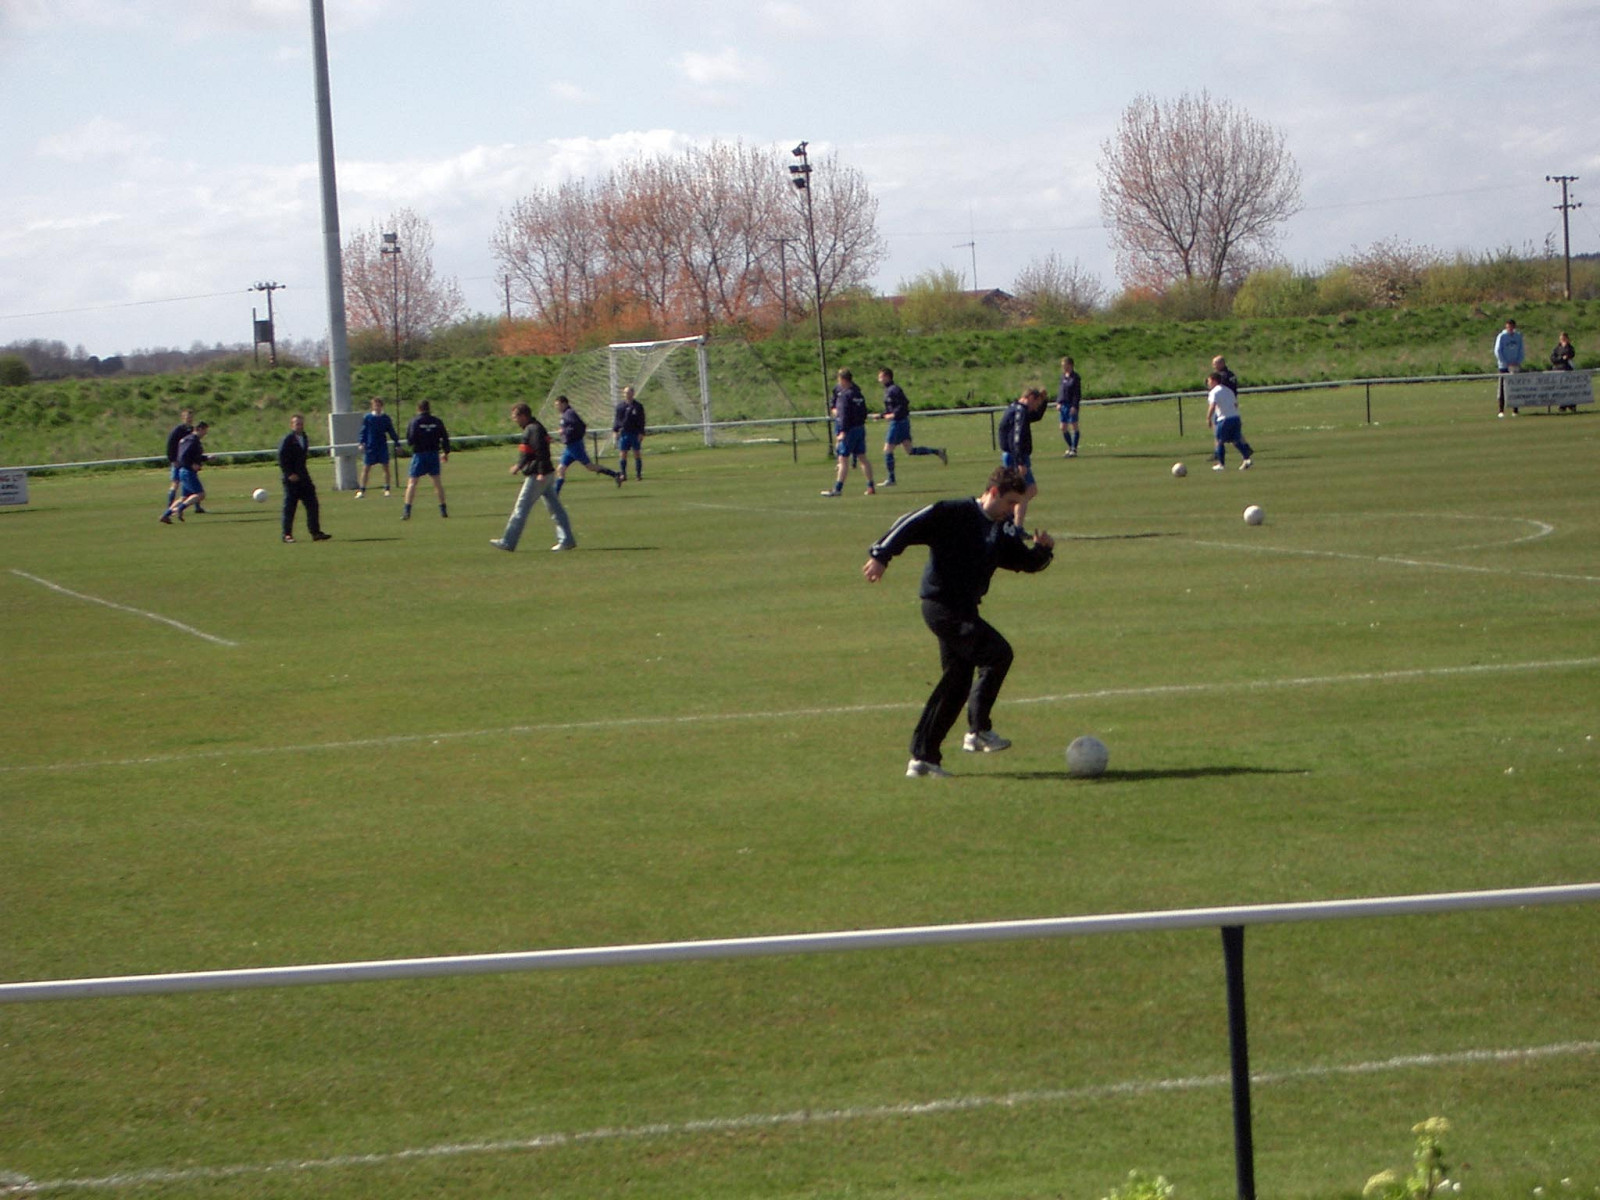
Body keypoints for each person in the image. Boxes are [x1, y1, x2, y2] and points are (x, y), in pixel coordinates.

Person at [862, 464, 1055, 778]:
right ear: (993, 492)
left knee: (956, 683)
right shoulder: (955, 513)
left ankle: (923, 759)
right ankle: (978, 732)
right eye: (1010, 502)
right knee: (997, 653)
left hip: (964, 610)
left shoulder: (1000, 529)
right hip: (941, 606)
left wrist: (1043, 552)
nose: (1012, 511)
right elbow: (909, 523)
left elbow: (1021, 560)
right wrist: (881, 555)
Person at [491, 402, 576, 552]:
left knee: (521, 508)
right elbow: (528, 453)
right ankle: (567, 540)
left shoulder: (533, 429)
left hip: (538, 476)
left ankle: (508, 542)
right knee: (556, 509)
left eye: (515, 416)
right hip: (546, 474)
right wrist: (519, 466)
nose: (514, 419)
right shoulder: (534, 428)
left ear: (523, 416)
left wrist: (541, 472)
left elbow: (541, 452)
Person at [872, 368, 946, 485]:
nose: (879, 379)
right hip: (901, 422)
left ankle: (891, 479)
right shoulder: (887, 390)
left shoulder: (895, 389)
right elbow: (890, 408)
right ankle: (937, 451)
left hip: (898, 423)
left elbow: (904, 405)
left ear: (887, 377)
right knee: (910, 450)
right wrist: (881, 416)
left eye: (881, 377)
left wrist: (894, 415)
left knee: (887, 450)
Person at [996, 387, 1047, 526]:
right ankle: (1013, 523)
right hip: (1015, 456)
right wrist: (1020, 461)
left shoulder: (1016, 408)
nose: (1035, 407)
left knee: (1023, 491)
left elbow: (1036, 416)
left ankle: (1010, 520)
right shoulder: (1020, 411)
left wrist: (1044, 401)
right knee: (1025, 492)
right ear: (1030, 397)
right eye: (1036, 403)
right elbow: (1016, 438)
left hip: (1013, 455)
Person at [277, 413, 331, 543]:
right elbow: (281, 458)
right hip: (291, 480)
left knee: (313, 504)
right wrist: (289, 474)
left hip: (304, 478)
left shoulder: (304, 437)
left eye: (301, 424)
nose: (299, 426)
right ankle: (287, 535)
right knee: (290, 508)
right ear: (292, 425)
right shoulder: (288, 439)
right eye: (297, 424)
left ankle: (315, 532)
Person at [822, 369, 877, 496]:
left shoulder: (845, 395)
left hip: (849, 430)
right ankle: (870, 486)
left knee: (843, 460)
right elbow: (864, 412)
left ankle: (837, 489)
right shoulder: (858, 393)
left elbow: (843, 414)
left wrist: (843, 431)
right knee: (863, 458)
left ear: (843, 379)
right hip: (860, 428)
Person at [554, 395, 623, 492]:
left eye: (558, 405)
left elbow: (580, 426)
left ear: (564, 404)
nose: (557, 407)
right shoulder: (565, 414)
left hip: (575, 446)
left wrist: (565, 431)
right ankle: (555, 494)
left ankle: (615, 474)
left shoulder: (569, 413)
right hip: (569, 447)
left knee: (590, 467)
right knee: (560, 469)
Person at [401, 399, 450, 520]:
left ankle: (407, 511)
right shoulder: (437, 421)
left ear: (418, 409)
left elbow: (410, 439)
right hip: (433, 454)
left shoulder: (415, 421)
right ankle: (443, 510)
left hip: (419, 454)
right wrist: (445, 452)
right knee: (437, 483)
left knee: (412, 483)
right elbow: (445, 437)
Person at [160, 421, 209, 523]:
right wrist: (191, 465)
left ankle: (166, 515)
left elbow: (190, 455)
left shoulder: (187, 439)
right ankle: (180, 508)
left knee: (184, 497)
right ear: (199, 429)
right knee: (200, 494)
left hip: (184, 471)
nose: (206, 433)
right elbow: (183, 457)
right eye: (205, 431)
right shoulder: (192, 440)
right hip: (188, 472)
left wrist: (206, 458)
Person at [1206, 371, 1254, 470]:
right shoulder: (1228, 390)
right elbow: (1235, 404)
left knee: (1220, 441)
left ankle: (1221, 464)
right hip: (1236, 418)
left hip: (1224, 419)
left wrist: (1208, 418)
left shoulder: (1214, 392)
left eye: (1209, 381)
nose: (1208, 383)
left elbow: (1212, 405)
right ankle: (1247, 459)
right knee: (1236, 440)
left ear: (1214, 381)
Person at [355, 396, 401, 497]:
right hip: (370, 446)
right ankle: (362, 490)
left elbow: (391, 431)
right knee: (366, 468)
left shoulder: (385, 418)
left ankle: (387, 489)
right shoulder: (368, 418)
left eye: (379, 405)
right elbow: (363, 431)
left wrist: (397, 443)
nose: (377, 407)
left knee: (386, 467)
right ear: (372, 406)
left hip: (382, 446)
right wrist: (361, 443)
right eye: (375, 405)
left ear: (381, 406)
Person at [613, 385, 647, 481]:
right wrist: (615, 431)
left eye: (628, 392)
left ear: (632, 393)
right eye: (625, 393)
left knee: (637, 453)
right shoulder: (620, 406)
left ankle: (638, 474)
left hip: (634, 433)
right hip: (624, 433)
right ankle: (623, 474)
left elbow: (642, 420)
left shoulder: (638, 406)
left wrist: (641, 433)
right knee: (623, 453)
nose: (626, 394)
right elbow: (617, 420)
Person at [1495, 319, 1525, 417]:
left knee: (1515, 388)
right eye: (1508, 327)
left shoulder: (1518, 336)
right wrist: (1506, 363)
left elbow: (1521, 350)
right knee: (1502, 388)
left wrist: (1518, 361)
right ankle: (1501, 410)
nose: (1510, 329)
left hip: (1515, 365)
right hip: (1504, 366)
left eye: (1511, 327)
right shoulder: (1502, 336)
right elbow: (1498, 351)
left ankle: (1515, 410)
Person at [1057, 357, 1083, 457]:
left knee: (1074, 425)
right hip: (1063, 405)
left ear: (1070, 365)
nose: (1063, 368)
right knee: (1063, 427)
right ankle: (1070, 447)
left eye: (1065, 365)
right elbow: (1061, 390)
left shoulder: (1075, 377)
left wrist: (1074, 406)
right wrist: (1059, 402)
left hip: (1071, 405)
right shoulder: (1063, 377)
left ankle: (1074, 449)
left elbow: (1077, 393)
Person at [1551, 332, 1579, 412]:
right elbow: (1553, 358)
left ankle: (1571, 405)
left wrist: (1566, 347)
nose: (1562, 340)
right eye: (1561, 339)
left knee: (1569, 388)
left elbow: (1570, 355)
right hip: (1558, 370)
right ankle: (1562, 405)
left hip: (1567, 369)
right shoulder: (1556, 349)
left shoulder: (1570, 348)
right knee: (1560, 389)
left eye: (1564, 339)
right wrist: (1561, 358)